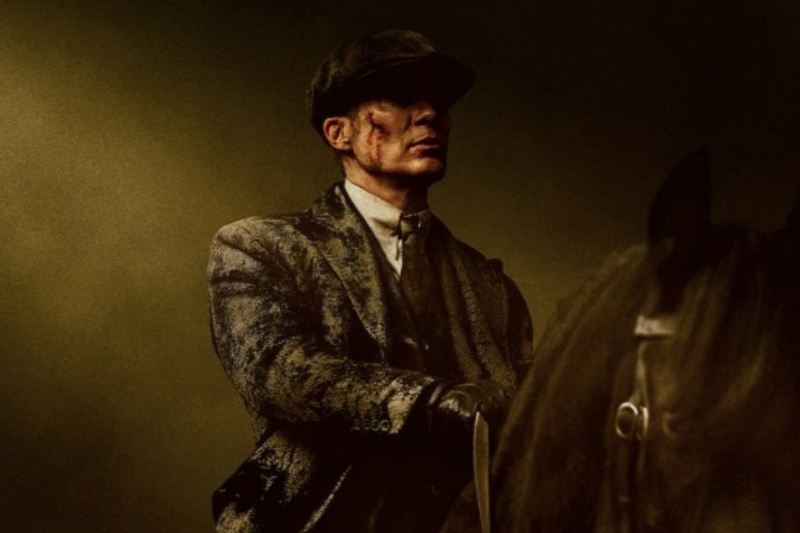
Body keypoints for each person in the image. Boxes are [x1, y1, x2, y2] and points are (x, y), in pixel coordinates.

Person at [207, 29, 533, 532]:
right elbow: (278, 372)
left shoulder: (489, 284)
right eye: (401, 98)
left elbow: (535, 416)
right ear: (339, 133)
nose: (430, 114)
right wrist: (429, 402)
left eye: (439, 103)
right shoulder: (258, 246)